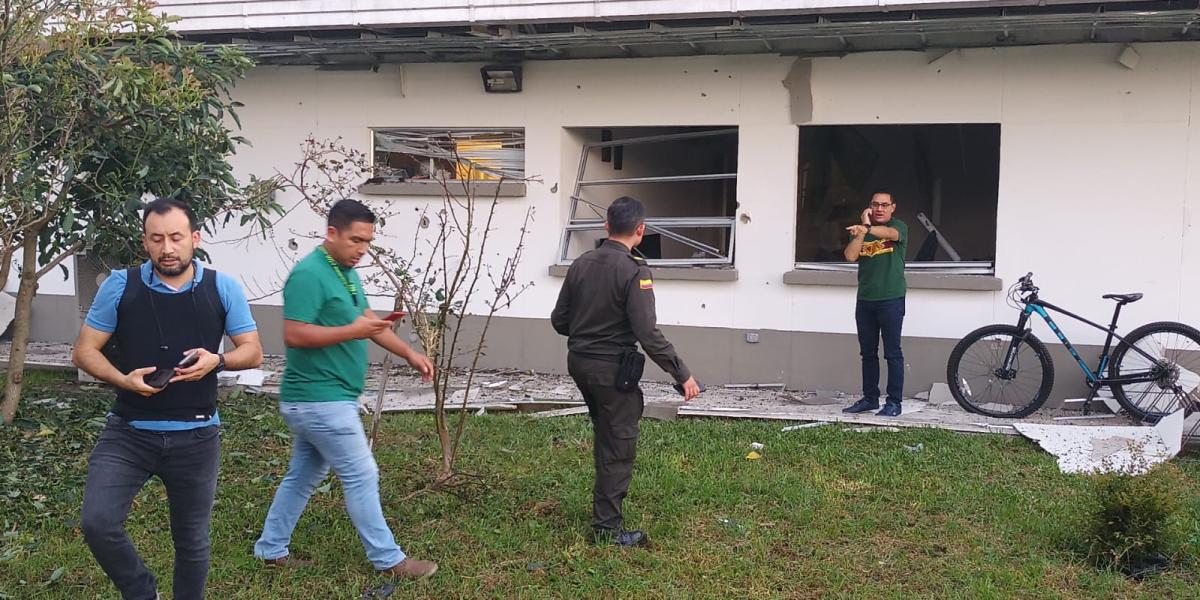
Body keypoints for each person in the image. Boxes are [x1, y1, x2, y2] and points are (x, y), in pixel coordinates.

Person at [74, 198, 264, 600]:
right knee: (98, 522)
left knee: (192, 541)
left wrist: (218, 360)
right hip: (128, 432)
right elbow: (85, 351)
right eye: (157, 239)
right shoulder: (121, 285)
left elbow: (253, 351)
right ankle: (143, 593)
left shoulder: (221, 286)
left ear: (194, 238)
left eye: (176, 237)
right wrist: (123, 380)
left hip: (196, 436)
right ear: (145, 242)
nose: (168, 248)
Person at [253, 199, 438, 579]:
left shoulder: (344, 272)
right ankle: (389, 560)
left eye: (367, 242)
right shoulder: (309, 274)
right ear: (332, 233)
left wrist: (408, 353)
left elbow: (367, 319)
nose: (362, 250)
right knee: (361, 474)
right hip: (319, 399)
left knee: (303, 475)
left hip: (322, 399)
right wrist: (353, 331)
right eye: (355, 240)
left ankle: (270, 549)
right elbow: (294, 333)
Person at [551, 195, 701, 548]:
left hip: (580, 364)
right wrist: (683, 375)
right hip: (611, 371)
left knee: (607, 433)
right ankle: (607, 529)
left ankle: (604, 504)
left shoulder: (581, 264)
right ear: (640, 230)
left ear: (606, 227)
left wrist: (589, 328)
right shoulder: (635, 271)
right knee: (618, 444)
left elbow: (559, 321)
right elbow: (647, 332)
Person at [842, 191, 908, 417]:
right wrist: (861, 231)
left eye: (884, 205)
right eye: (875, 205)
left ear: (893, 207)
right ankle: (870, 398)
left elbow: (890, 233)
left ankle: (894, 403)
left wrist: (867, 228)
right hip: (865, 300)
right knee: (868, 353)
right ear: (869, 207)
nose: (879, 209)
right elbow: (850, 256)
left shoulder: (898, 227)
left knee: (893, 353)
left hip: (891, 299)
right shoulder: (863, 231)